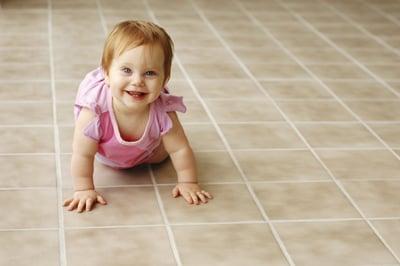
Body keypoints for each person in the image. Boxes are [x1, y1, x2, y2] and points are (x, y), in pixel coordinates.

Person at [63, 20, 213, 213]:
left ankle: (151, 149)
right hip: (108, 155)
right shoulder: (95, 110)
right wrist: (84, 189)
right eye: (126, 70)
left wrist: (189, 182)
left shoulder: (163, 110)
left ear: (164, 80)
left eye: (150, 73)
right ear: (107, 73)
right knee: (86, 146)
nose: (137, 81)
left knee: (164, 153)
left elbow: (180, 149)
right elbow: (82, 154)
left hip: (149, 152)